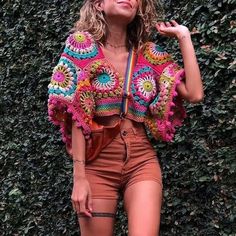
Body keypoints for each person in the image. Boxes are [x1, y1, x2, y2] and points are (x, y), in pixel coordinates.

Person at [47, 0, 204, 235]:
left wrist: (184, 37)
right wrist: (79, 179)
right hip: (97, 163)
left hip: (141, 159)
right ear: (98, 4)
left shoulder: (149, 53)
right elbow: (77, 113)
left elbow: (194, 93)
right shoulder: (81, 46)